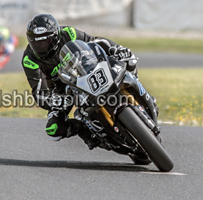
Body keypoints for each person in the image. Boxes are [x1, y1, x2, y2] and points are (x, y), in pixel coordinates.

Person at [22, 14, 140, 149]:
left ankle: (136, 88)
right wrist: (53, 100)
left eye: (45, 41)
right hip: (61, 90)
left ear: (55, 36)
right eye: (36, 43)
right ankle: (83, 130)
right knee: (54, 129)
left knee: (128, 60)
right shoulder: (29, 60)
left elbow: (95, 42)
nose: (41, 46)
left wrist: (116, 48)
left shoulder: (68, 33)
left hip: (86, 69)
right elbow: (39, 93)